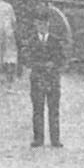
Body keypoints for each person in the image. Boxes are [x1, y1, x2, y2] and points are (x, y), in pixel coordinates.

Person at [24, 16, 66, 148]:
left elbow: (62, 58)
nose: (42, 27)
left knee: (54, 110)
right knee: (38, 109)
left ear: (48, 25)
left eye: (45, 24)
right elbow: (27, 60)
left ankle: (55, 139)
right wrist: (41, 65)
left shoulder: (55, 41)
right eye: (40, 24)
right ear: (36, 25)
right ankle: (38, 139)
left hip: (52, 79)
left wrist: (53, 64)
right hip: (37, 79)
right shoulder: (31, 41)